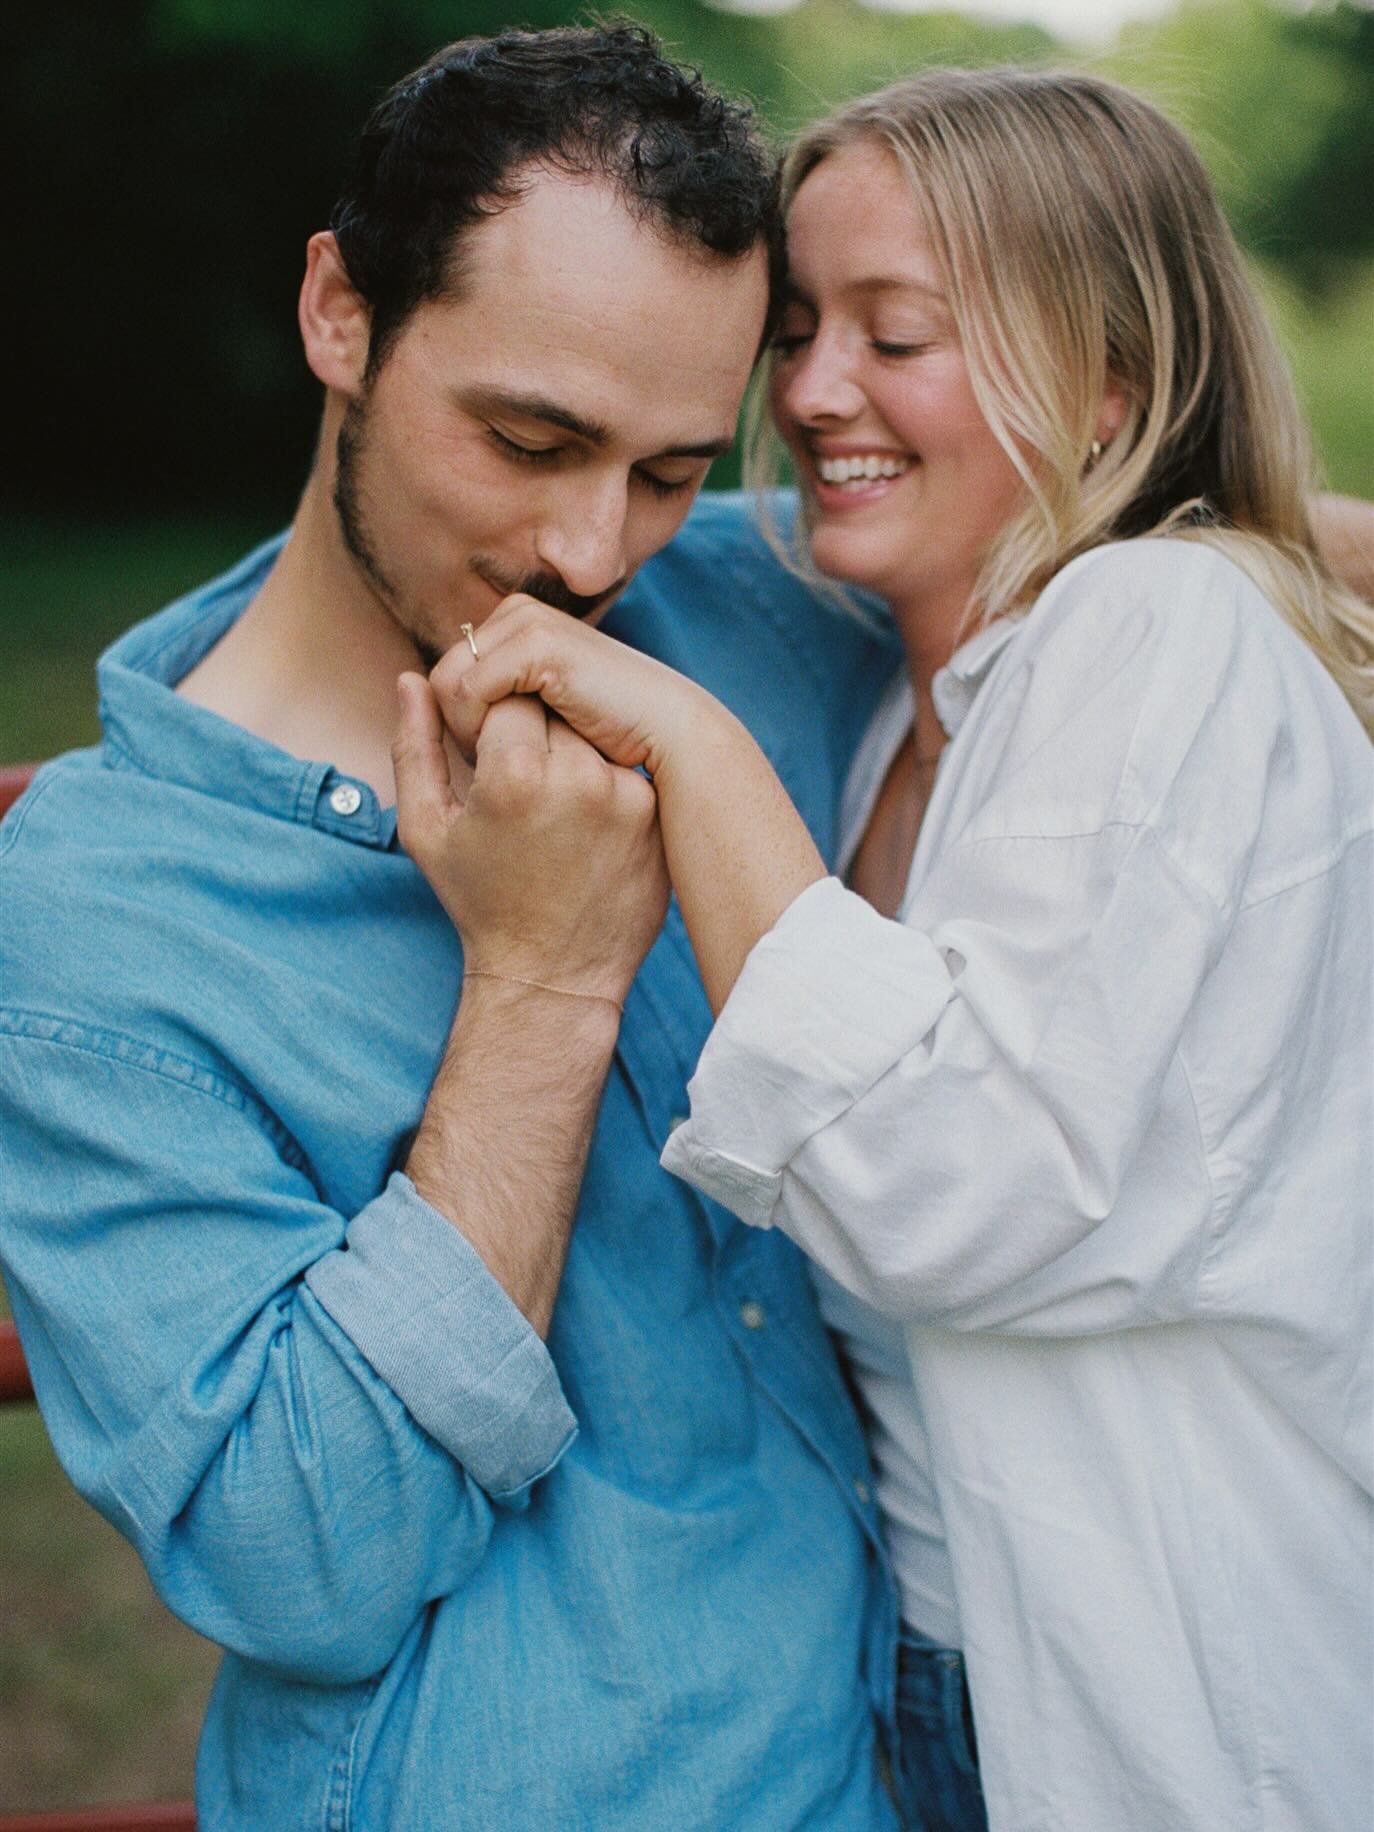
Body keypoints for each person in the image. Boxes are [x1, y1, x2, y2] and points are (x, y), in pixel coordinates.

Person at [440, 68, 1374, 1832]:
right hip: (948, 1677)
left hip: (1184, 1703)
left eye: (898, 333)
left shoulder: (1152, 624)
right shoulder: (909, 703)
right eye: (795, 330)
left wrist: (691, 748)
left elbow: (957, 1183)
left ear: (1106, 380)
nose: (804, 394)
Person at [0, 27, 906, 1827]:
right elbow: (299, 1567)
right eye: (528, 438)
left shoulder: (748, 616)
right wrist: (546, 978)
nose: (593, 551)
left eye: (664, 468)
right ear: (342, 314)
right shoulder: (95, 922)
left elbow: (1139, 533)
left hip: (894, 1755)